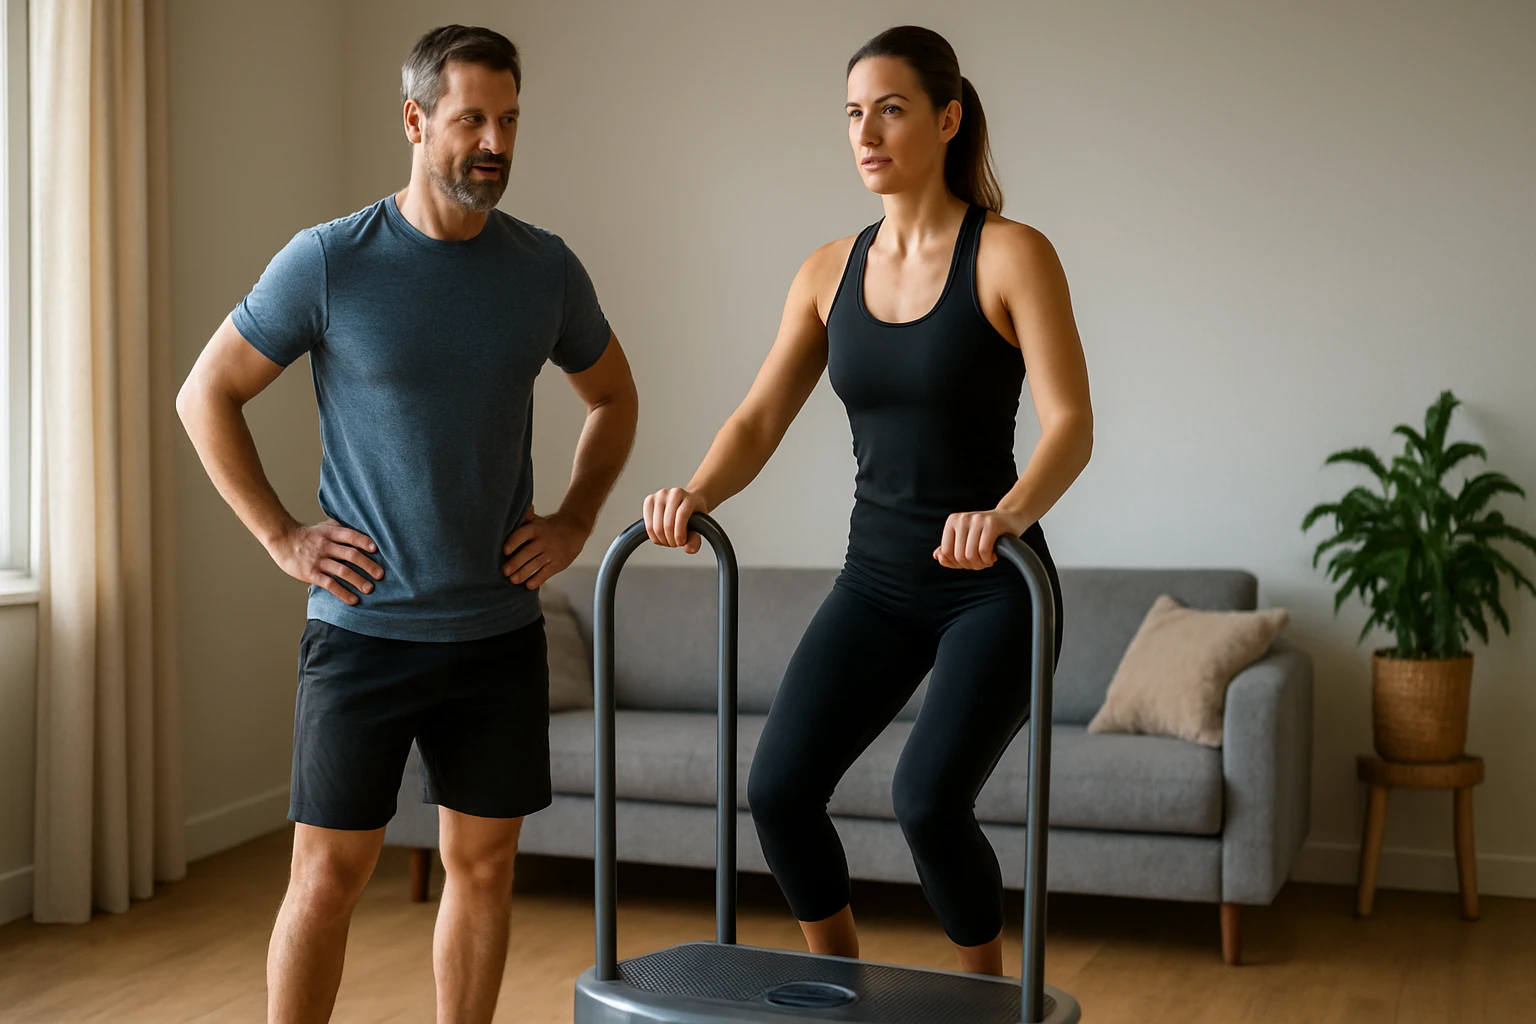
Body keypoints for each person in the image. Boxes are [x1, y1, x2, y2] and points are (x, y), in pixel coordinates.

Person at [176, 25, 638, 1024]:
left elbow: (613, 396)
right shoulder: (329, 261)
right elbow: (205, 393)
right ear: (415, 121)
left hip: (498, 632)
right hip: (362, 630)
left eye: (509, 120)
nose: (495, 142)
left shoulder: (544, 270)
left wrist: (573, 519)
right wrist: (282, 535)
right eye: (471, 119)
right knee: (326, 877)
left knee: (484, 868)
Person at [641, 25, 1092, 976]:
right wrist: (696, 491)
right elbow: (760, 417)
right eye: (853, 113)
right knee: (779, 790)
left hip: (993, 586)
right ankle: (839, 983)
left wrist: (1008, 514)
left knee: (927, 801)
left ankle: (984, 1001)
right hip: (878, 583)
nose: (866, 133)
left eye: (890, 109)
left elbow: (1071, 426)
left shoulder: (1011, 255)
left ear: (948, 118)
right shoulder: (826, 271)